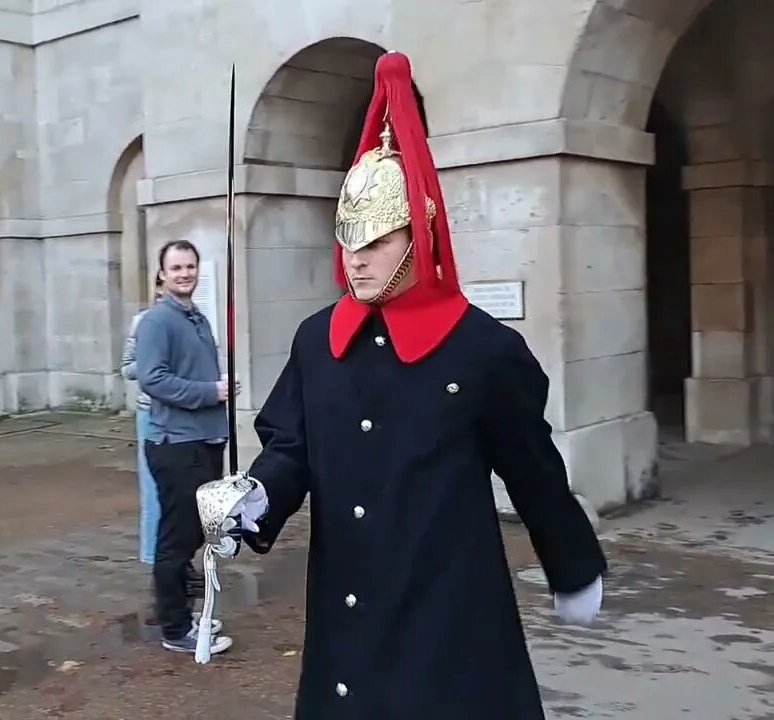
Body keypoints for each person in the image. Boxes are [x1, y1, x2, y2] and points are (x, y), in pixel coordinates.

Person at [213, 52, 607, 718]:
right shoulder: (317, 338)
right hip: (348, 600)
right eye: (348, 238)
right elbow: (292, 448)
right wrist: (253, 497)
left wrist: (571, 564)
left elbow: (533, 469)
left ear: (417, 235)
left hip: (448, 606)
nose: (355, 257)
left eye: (375, 239)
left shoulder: (483, 350)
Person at [135, 239, 238, 655]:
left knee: (194, 532)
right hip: (175, 443)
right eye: (176, 268)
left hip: (203, 440)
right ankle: (176, 627)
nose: (184, 274)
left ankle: (184, 610)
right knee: (177, 538)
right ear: (161, 274)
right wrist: (209, 392)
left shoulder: (196, 317)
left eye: (190, 266)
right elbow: (152, 379)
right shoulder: (157, 321)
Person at [120, 275, 166, 566]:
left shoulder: (193, 322)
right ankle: (153, 557)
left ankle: (177, 559)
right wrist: (152, 362)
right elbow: (127, 368)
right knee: (152, 488)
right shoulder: (142, 322)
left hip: (183, 412)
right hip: (150, 411)